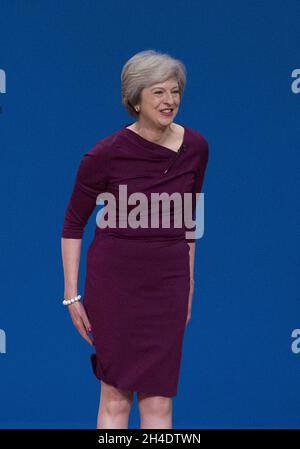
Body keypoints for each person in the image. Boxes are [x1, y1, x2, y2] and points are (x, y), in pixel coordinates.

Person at [61, 49, 209, 429]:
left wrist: (188, 285)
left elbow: (188, 221)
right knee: (115, 398)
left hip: (168, 286)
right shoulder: (104, 155)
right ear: (135, 98)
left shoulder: (196, 148)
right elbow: (73, 224)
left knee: (159, 403)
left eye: (175, 91)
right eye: (158, 92)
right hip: (115, 287)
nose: (169, 101)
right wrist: (72, 294)